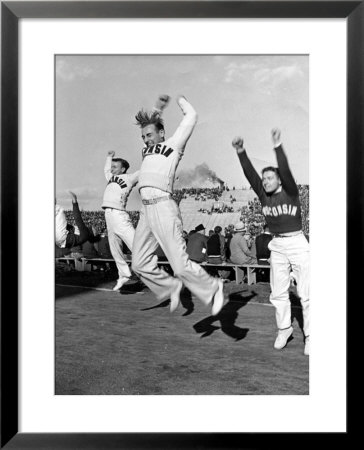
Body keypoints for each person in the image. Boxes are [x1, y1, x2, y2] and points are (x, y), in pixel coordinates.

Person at [131, 94, 224, 315]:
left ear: (162, 133)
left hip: (163, 206)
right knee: (138, 263)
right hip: (146, 211)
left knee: (180, 265)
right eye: (143, 136)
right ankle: (170, 287)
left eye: (150, 135)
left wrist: (181, 101)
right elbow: (151, 124)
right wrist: (157, 108)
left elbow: (191, 117)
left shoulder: (173, 145)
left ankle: (213, 287)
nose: (146, 139)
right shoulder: (146, 150)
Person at [232, 128, 309, 355]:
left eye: (269, 178)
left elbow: (285, 169)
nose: (264, 181)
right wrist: (241, 152)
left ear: (280, 180)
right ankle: (284, 329)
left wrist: (277, 146)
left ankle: (312, 335)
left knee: (306, 292)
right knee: (278, 292)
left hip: (297, 243)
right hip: (278, 245)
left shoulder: (291, 192)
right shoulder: (263, 195)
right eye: (264, 178)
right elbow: (250, 175)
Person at [102, 151, 139, 291]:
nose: (112, 169)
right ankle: (124, 274)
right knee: (114, 248)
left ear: (123, 169)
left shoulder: (129, 178)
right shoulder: (111, 177)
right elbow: (106, 169)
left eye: (115, 167)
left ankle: (152, 272)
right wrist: (109, 157)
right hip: (108, 215)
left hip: (119, 215)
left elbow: (144, 170)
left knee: (137, 245)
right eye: (112, 167)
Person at [55, 191, 92, 256]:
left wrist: (75, 202)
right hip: (60, 240)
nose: (95, 227)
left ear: (93, 233)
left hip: (62, 238)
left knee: (59, 210)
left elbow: (78, 219)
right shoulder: (81, 235)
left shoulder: (86, 233)